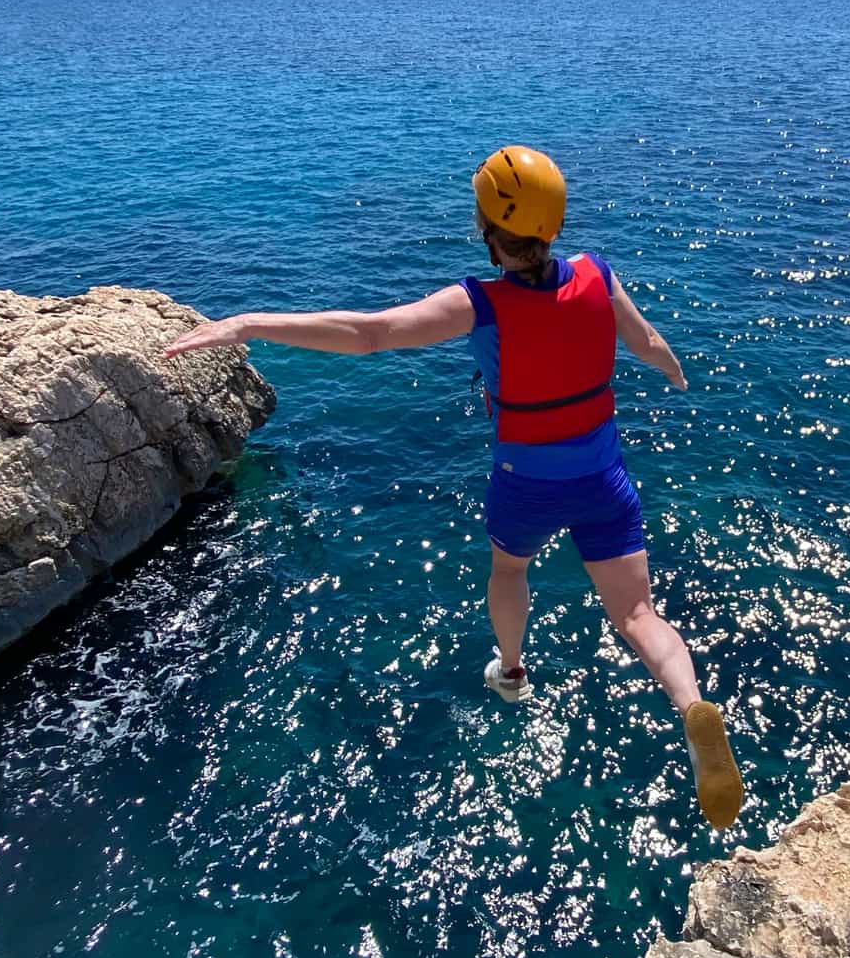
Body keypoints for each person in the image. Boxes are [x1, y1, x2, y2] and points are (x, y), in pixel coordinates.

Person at [161, 146, 744, 829]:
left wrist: (253, 323)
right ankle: (690, 705)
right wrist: (674, 371)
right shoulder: (597, 273)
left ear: (487, 229)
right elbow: (644, 341)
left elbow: (372, 333)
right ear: (553, 223)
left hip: (525, 482)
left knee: (509, 567)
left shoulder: (480, 302)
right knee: (639, 615)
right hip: (600, 477)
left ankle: (514, 669)